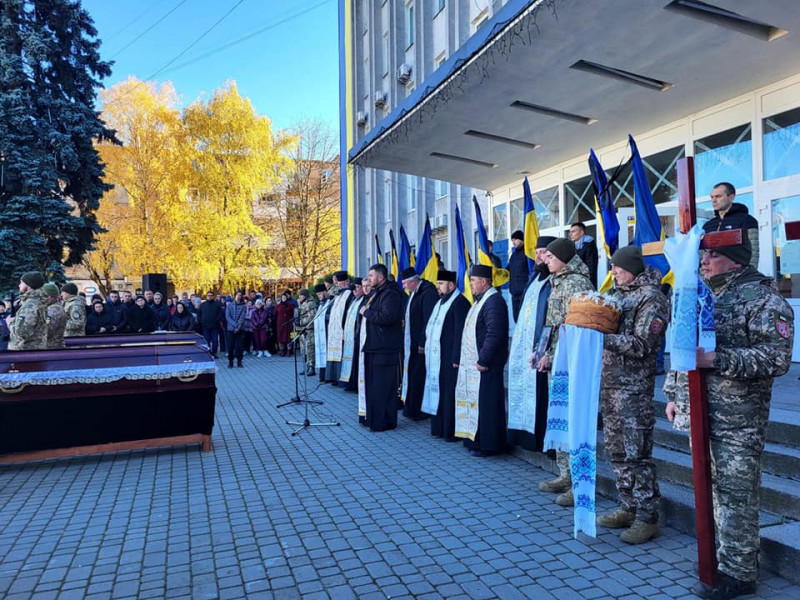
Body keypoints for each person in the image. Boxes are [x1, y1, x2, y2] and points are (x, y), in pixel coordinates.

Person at [667, 238, 793, 600]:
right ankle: (722, 559)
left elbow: (775, 359)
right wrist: (674, 394)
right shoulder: (702, 294)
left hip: (739, 419)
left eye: (713, 254)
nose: (705, 260)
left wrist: (717, 360)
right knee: (712, 490)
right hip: (703, 410)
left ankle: (740, 572)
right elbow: (684, 343)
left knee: (736, 495)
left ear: (735, 261)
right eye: (704, 253)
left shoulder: (765, 300)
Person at [595, 245, 669, 545]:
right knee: (616, 450)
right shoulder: (616, 295)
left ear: (632, 268)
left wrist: (602, 338)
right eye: (612, 267)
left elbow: (642, 345)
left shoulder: (652, 297)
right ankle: (627, 506)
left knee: (638, 454)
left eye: (617, 268)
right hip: (610, 384)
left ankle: (647, 517)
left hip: (634, 389)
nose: (613, 272)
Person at [536, 237, 593, 505]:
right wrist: (542, 352)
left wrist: (553, 355)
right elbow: (551, 324)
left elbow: (575, 327)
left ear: (563, 258)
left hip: (569, 363)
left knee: (572, 420)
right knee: (559, 418)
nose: (545, 260)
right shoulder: (557, 280)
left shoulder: (577, 283)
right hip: (555, 360)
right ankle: (564, 474)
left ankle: (578, 482)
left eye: (549, 256)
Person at [454, 264, 509, 456]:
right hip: (477, 365)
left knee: (489, 406)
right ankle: (476, 440)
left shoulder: (494, 302)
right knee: (479, 404)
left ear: (484, 282)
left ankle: (489, 445)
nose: (470, 285)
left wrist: (484, 359)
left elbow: (495, 333)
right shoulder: (480, 301)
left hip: (487, 365)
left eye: (473, 281)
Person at [507, 235, 556, 453]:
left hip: (544, 348)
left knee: (542, 396)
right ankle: (525, 436)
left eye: (543, 252)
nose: (538, 257)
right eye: (536, 252)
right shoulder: (533, 278)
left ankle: (542, 440)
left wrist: (542, 346)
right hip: (526, 346)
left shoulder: (555, 281)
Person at [424, 270, 470, 440]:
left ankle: (450, 431)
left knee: (449, 394)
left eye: (441, 283)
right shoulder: (440, 302)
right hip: (438, 357)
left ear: (451, 285)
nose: (437, 287)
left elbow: (460, 333)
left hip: (450, 358)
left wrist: (457, 357)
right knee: (440, 392)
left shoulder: (460, 303)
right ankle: (439, 428)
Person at [359, 264, 404, 432]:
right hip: (374, 347)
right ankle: (376, 419)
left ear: (380, 277)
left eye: (371, 276)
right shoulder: (377, 293)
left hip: (385, 348)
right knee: (374, 387)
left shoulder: (390, 294)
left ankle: (383, 422)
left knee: (382, 387)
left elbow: (387, 317)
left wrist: (366, 312)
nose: (369, 279)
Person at [400, 267, 439, 420]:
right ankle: (411, 407)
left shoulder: (427, 293)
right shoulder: (414, 293)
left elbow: (428, 319)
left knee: (419, 376)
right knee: (413, 376)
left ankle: (419, 410)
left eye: (405, 283)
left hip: (421, 344)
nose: (404, 287)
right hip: (412, 343)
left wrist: (423, 341)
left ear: (413, 282)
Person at [702, 182, 759, 268]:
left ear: (731, 197)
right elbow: (703, 253)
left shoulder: (746, 220)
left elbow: (753, 254)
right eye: (712, 197)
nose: (713, 200)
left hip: (736, 276)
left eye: (718, 196)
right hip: (711, 277)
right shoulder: (708, 225)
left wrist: (747, 276)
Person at [7, 272, 48, 351]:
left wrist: (10, 322)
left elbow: (23, 333)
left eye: (22, 282)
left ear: (29, 285)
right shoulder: (38, 302)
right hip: (34, 350)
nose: (19, 285)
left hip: (25, 352)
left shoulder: (30, 306)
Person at [325, 271, 354, 384]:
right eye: (339, 283)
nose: (340, 285)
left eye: (342, 282)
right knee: (334, 352)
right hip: (334, 329)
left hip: (342, 328)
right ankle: (333, 377)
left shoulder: (349, 294)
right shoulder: (338, 295)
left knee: (341, 354)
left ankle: (341, 379)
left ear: (347, 281)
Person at [340, 278, 365, 390]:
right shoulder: (353, 300)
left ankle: (355, 384)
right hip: (350, 335)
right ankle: (349, 382)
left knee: (356, 361)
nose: (355, 290)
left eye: (358, 287)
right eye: (354, 288)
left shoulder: (364, 300)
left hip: (357, 335)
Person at [506, 229, 530, 321]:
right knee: (516, 318)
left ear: (521, 239)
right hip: (514, 292)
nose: (513, 242)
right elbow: (508, 270)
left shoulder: (527, 253)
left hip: (524, 292)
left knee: (524, 319)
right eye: (512, 240)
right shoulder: (514, 255)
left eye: (515, 239)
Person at [569, 222, 599, 288]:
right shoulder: (571, 245)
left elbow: (591, 265)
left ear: (582, 232)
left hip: (586, 280)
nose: (570, 234)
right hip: (575, 280)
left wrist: (589, 282)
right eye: (570, 232)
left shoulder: (589, 244)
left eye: (573, 231)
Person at [225, 291, 248, 367]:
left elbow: (242, 316)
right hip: (231, 329)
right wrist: (235, 325)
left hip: (240, 329)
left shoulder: (243, 306)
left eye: (240, 295)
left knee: (239, 346)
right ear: (234, 296)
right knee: (230, 346)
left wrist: (238, 325)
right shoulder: (229, 306)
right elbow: (228, 317)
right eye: (237, 295)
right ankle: (230, 362)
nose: (239, 296)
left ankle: (239, 362)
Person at [41, 283, 67, 349]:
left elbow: (48, 331)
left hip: (52, 348)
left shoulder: (53, 310)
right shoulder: (51, 308)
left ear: (50, 297)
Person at [198, 291, 223, 358]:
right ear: (206, 296)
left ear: (213, 296)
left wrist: (216, 321)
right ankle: (208, 353)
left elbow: (220, 314)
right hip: (205, 326)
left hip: (215, 326)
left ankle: (214, 353)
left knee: (215, 341)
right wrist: (201, 321)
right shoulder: (202, 305)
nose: (209, 296)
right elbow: (199, 315)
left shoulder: (217, 304)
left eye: (211, 295)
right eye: (208, 295)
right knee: (207, 340)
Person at [274, 293, 296, 357]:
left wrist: (291, 320)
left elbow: (293, 313)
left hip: (288, 323)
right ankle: (282, 350)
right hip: (280, 324)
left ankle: (289, 350)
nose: (284, 298)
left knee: (289, 337)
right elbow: (275, 314)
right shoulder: (278, 306)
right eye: (283, 297)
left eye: (285, 297)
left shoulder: (290, 305)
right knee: (281, 337)